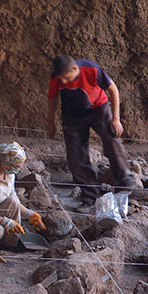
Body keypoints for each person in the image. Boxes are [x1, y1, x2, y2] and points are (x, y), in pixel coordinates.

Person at [46, 55, 135, 213]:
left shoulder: (91, 69)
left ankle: (126, 181)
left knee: (112, 140)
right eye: (62, 79)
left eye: (67, 78)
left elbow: (113, 89)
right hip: (72, 115)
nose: (64, 83)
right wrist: (51, 123)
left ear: (75, 69)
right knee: (75, 156)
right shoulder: (56, 77)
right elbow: (52, 98)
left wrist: (116, 118)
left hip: (98, 108)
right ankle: (90, 197)